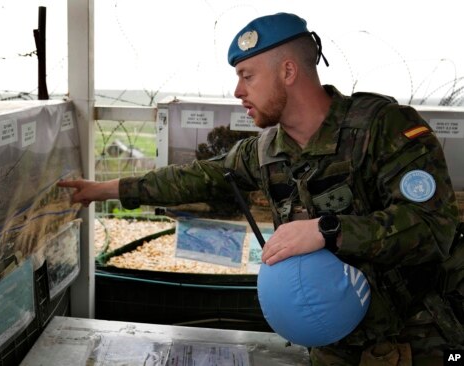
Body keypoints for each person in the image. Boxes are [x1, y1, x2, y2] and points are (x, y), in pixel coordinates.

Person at [58, 12, 463, 365]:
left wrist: (327, 231)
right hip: (333, 344)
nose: (238, 91)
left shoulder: (383, 129)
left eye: (247, 76)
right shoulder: (266, 152)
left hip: (415, 338)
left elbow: (432, 227)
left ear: (288, 71)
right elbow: (195, 177)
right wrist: (101, 190)